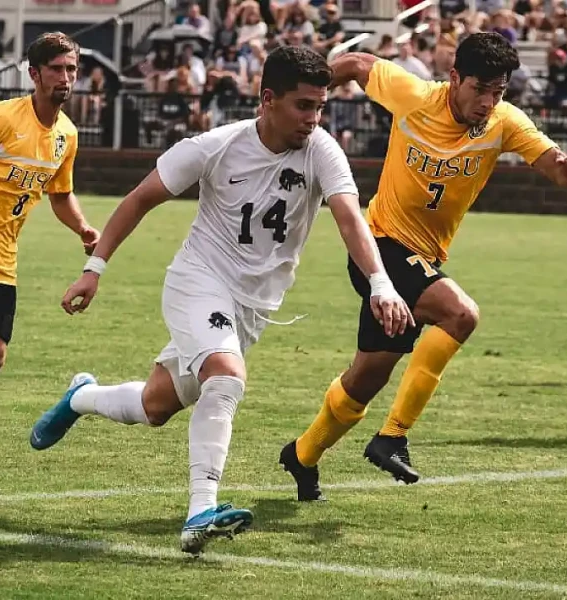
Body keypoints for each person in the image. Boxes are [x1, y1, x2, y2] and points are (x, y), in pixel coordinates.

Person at [29, 46, 413, 554]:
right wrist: (93, 270)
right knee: (226, 376)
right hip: (198, 281)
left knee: (156, 405)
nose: (313, 119)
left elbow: (349, 218)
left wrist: (381, 282)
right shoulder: (215, 146)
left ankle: (81, 396)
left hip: (253, 307)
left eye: (319, 106)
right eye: (303, 105)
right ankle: (200, 512)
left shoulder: (322, 149)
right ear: (267, 99)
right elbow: (140, 198)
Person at [279, 32, 567, 501]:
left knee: (364, 381)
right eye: (479, 89)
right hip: (379, 246)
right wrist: (311, 94)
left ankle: (302, 455)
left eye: (498, 92)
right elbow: (359, 63)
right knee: (460, 313)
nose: (487, 102)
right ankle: (392, 436)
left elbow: (549, 161)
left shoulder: (504, 122)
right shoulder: (416, 96)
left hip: (421, 259)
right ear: (454, 78)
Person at [0, 32, 100, 374]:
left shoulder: (67, 135)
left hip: (4, 255)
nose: (65, 77)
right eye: (56, 69)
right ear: (34, 74)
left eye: (71, 69)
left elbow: (60, 194)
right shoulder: (5, 118)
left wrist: (82, 227)